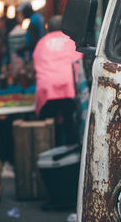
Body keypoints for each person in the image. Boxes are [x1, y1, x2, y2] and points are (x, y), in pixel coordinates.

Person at [33, 15, 83, 145]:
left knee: (50, 128)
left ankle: (50, 150)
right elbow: (78, 62)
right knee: (70, 123)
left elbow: (37, 66)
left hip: (47, 90)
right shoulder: (71, 40)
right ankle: (72, 156)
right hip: (68, 88)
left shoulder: (41, 43)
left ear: (48, 29)